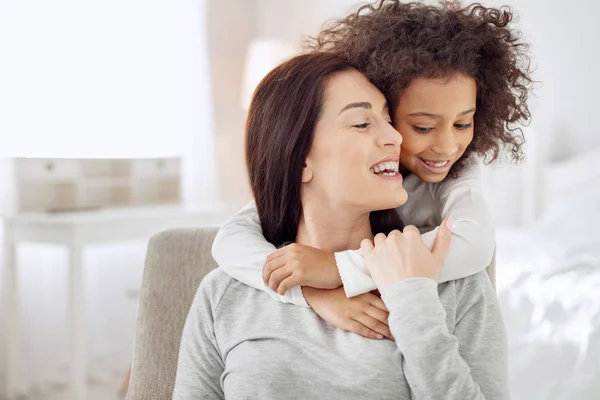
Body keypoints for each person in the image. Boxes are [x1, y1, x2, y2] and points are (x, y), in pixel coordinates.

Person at [173, 52, 507, 399]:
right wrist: (308, 290)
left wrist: (412, 300)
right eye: (362, 123)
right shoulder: (226, 292)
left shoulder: (451, 280)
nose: (395, 137)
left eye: (389, 119)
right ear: (300, 159)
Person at [211, 0, 532, 340]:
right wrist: (314, 293)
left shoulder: (457, 172)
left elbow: (475, 243)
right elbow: (230, 242)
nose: (447, 146)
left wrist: (337, 270)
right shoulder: (346, 178)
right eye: (422, 127)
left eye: (463, 123)